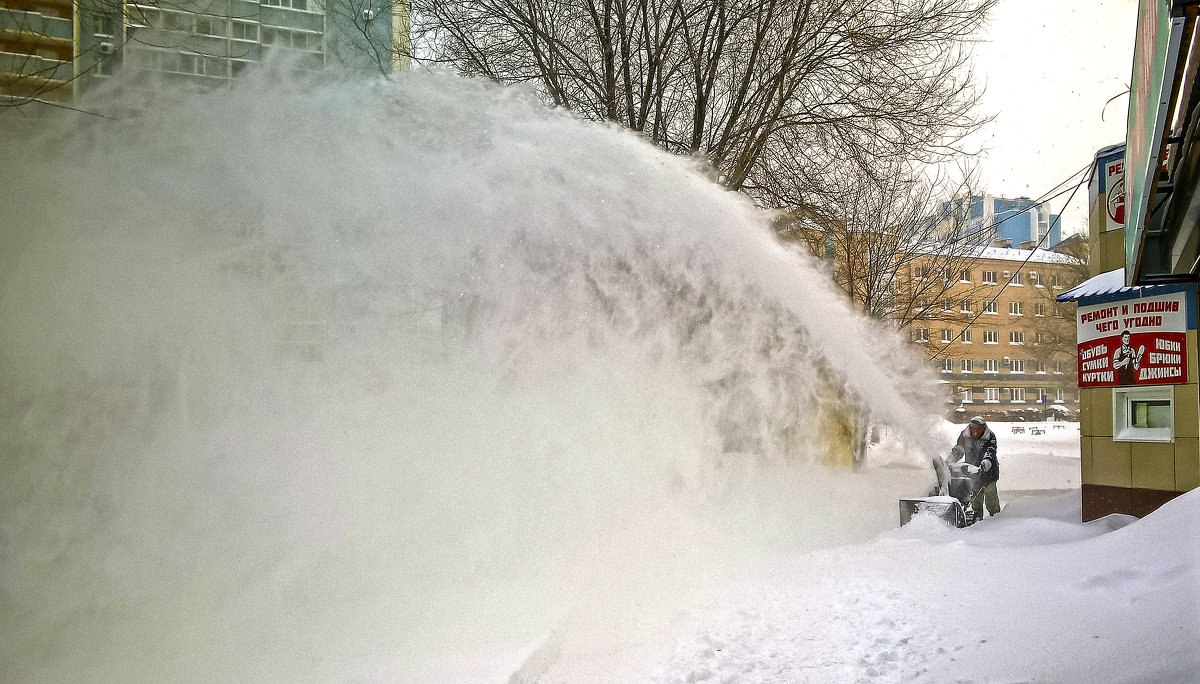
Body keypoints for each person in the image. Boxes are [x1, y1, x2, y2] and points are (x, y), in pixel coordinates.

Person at [951, 416, 1000, 518]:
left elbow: (990, 452)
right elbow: (959, 449)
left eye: (979, 430)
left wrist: (986, 463)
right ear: (970, 428)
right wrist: (951, 459)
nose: (976, 433)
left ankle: (996, 520)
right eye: (974, 430)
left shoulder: (990, 436)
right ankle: (977, 520)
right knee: (976, 502)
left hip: (989, 473)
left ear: (983, 429)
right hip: (973, 473)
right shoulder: (964, 436)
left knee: (991, 501)